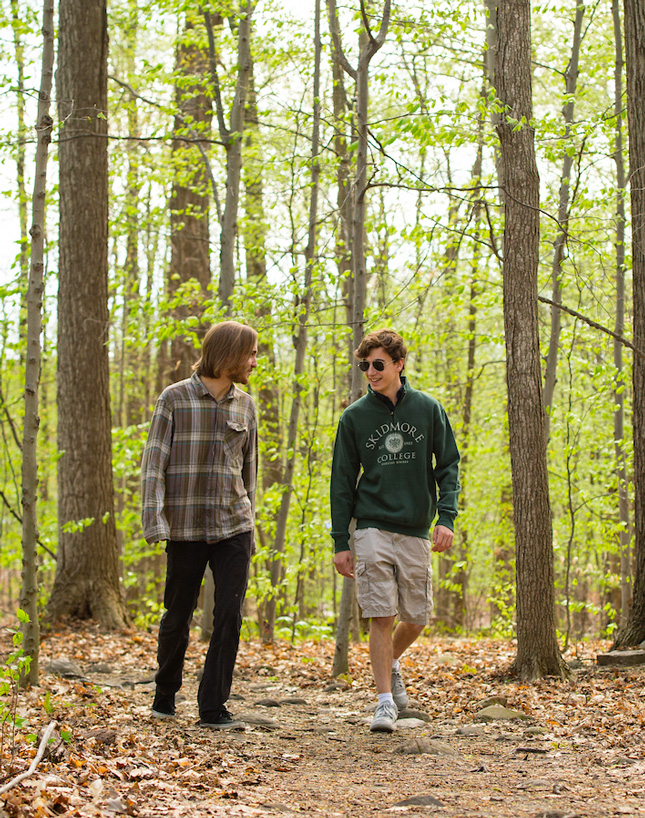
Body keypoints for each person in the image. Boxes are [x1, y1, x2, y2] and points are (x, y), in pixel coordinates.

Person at [330, 328, 460, 733]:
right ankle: (385, 703)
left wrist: (446, 518)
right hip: (371, 526)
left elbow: (449, 466)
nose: (370, 371)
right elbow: (342, 481)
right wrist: (341, 541)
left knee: (417, 617)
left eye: (378, 364)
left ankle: (391, 660)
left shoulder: (427, 408)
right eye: (364, 365)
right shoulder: (354, 417)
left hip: (416, 527)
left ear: (399, 364)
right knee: (380, 613)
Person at [141, 320, 258, 730]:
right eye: (250, 353)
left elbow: (250, 471)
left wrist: (252, 526)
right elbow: (153, 464)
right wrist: (154, 520)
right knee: (178, 613)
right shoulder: (173, 399)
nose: (254, 362)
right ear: (227, 354)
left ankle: (213, 707)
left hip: (233, 526)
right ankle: (165, 694)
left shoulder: (246, 404)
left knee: (229, 613)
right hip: (186, 526)